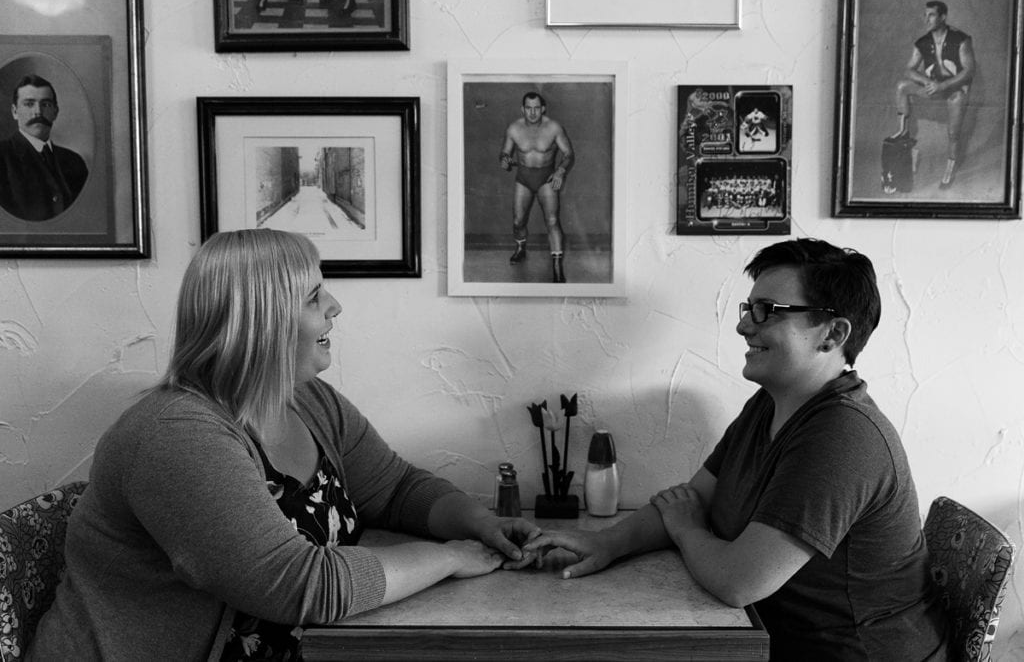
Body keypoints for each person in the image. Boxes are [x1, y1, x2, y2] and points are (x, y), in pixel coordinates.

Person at [29, 229, 540, 661]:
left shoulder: (308, 401)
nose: (335, 306)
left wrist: (482, 524)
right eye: (314, 296)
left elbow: (395, 489)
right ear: (262, 321)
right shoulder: (174, 433)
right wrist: (449, 558)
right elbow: (297, 584)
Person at [524, 238, 948, 661]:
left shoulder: (843, 436)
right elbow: (689, 500)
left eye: (767, 311)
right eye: (748, 309)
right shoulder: (769, 405)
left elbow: (737, 581)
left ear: (833, 334)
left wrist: (689, 530)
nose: (745, 326)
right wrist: (606, 544)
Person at [888, 0, 975, 189]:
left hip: (955, 89)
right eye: (925, 15)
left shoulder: (961, 39)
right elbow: (909, 69)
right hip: (934, 87)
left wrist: (942, 85)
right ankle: (903, 131)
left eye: (931, 15)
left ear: (943, 17)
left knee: (953, 134)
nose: (926, 19)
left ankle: (949, 170)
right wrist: (928, 82)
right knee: (902, 86)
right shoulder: (922, 42)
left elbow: (968, 71)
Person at [500, 92, 574, 283]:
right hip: (524, 179)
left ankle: (557, 267)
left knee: (552, 220)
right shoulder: (514, 129)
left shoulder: (554, 128)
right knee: (518, 221)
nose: (532, 112)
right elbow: (505, 152)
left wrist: (560, 171)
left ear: (543, 109)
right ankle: (520, 248)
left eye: (536, 108)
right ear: (522, 109)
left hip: (546, 179)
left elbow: (568, 154)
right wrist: (505, 160)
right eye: (528, 108)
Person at [0, 74, 89, 222]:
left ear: (55, 112)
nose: (38, 112)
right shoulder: (2, 157)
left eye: (46, 104)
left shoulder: (75, 162)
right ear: (14, 112)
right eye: (29, 104)